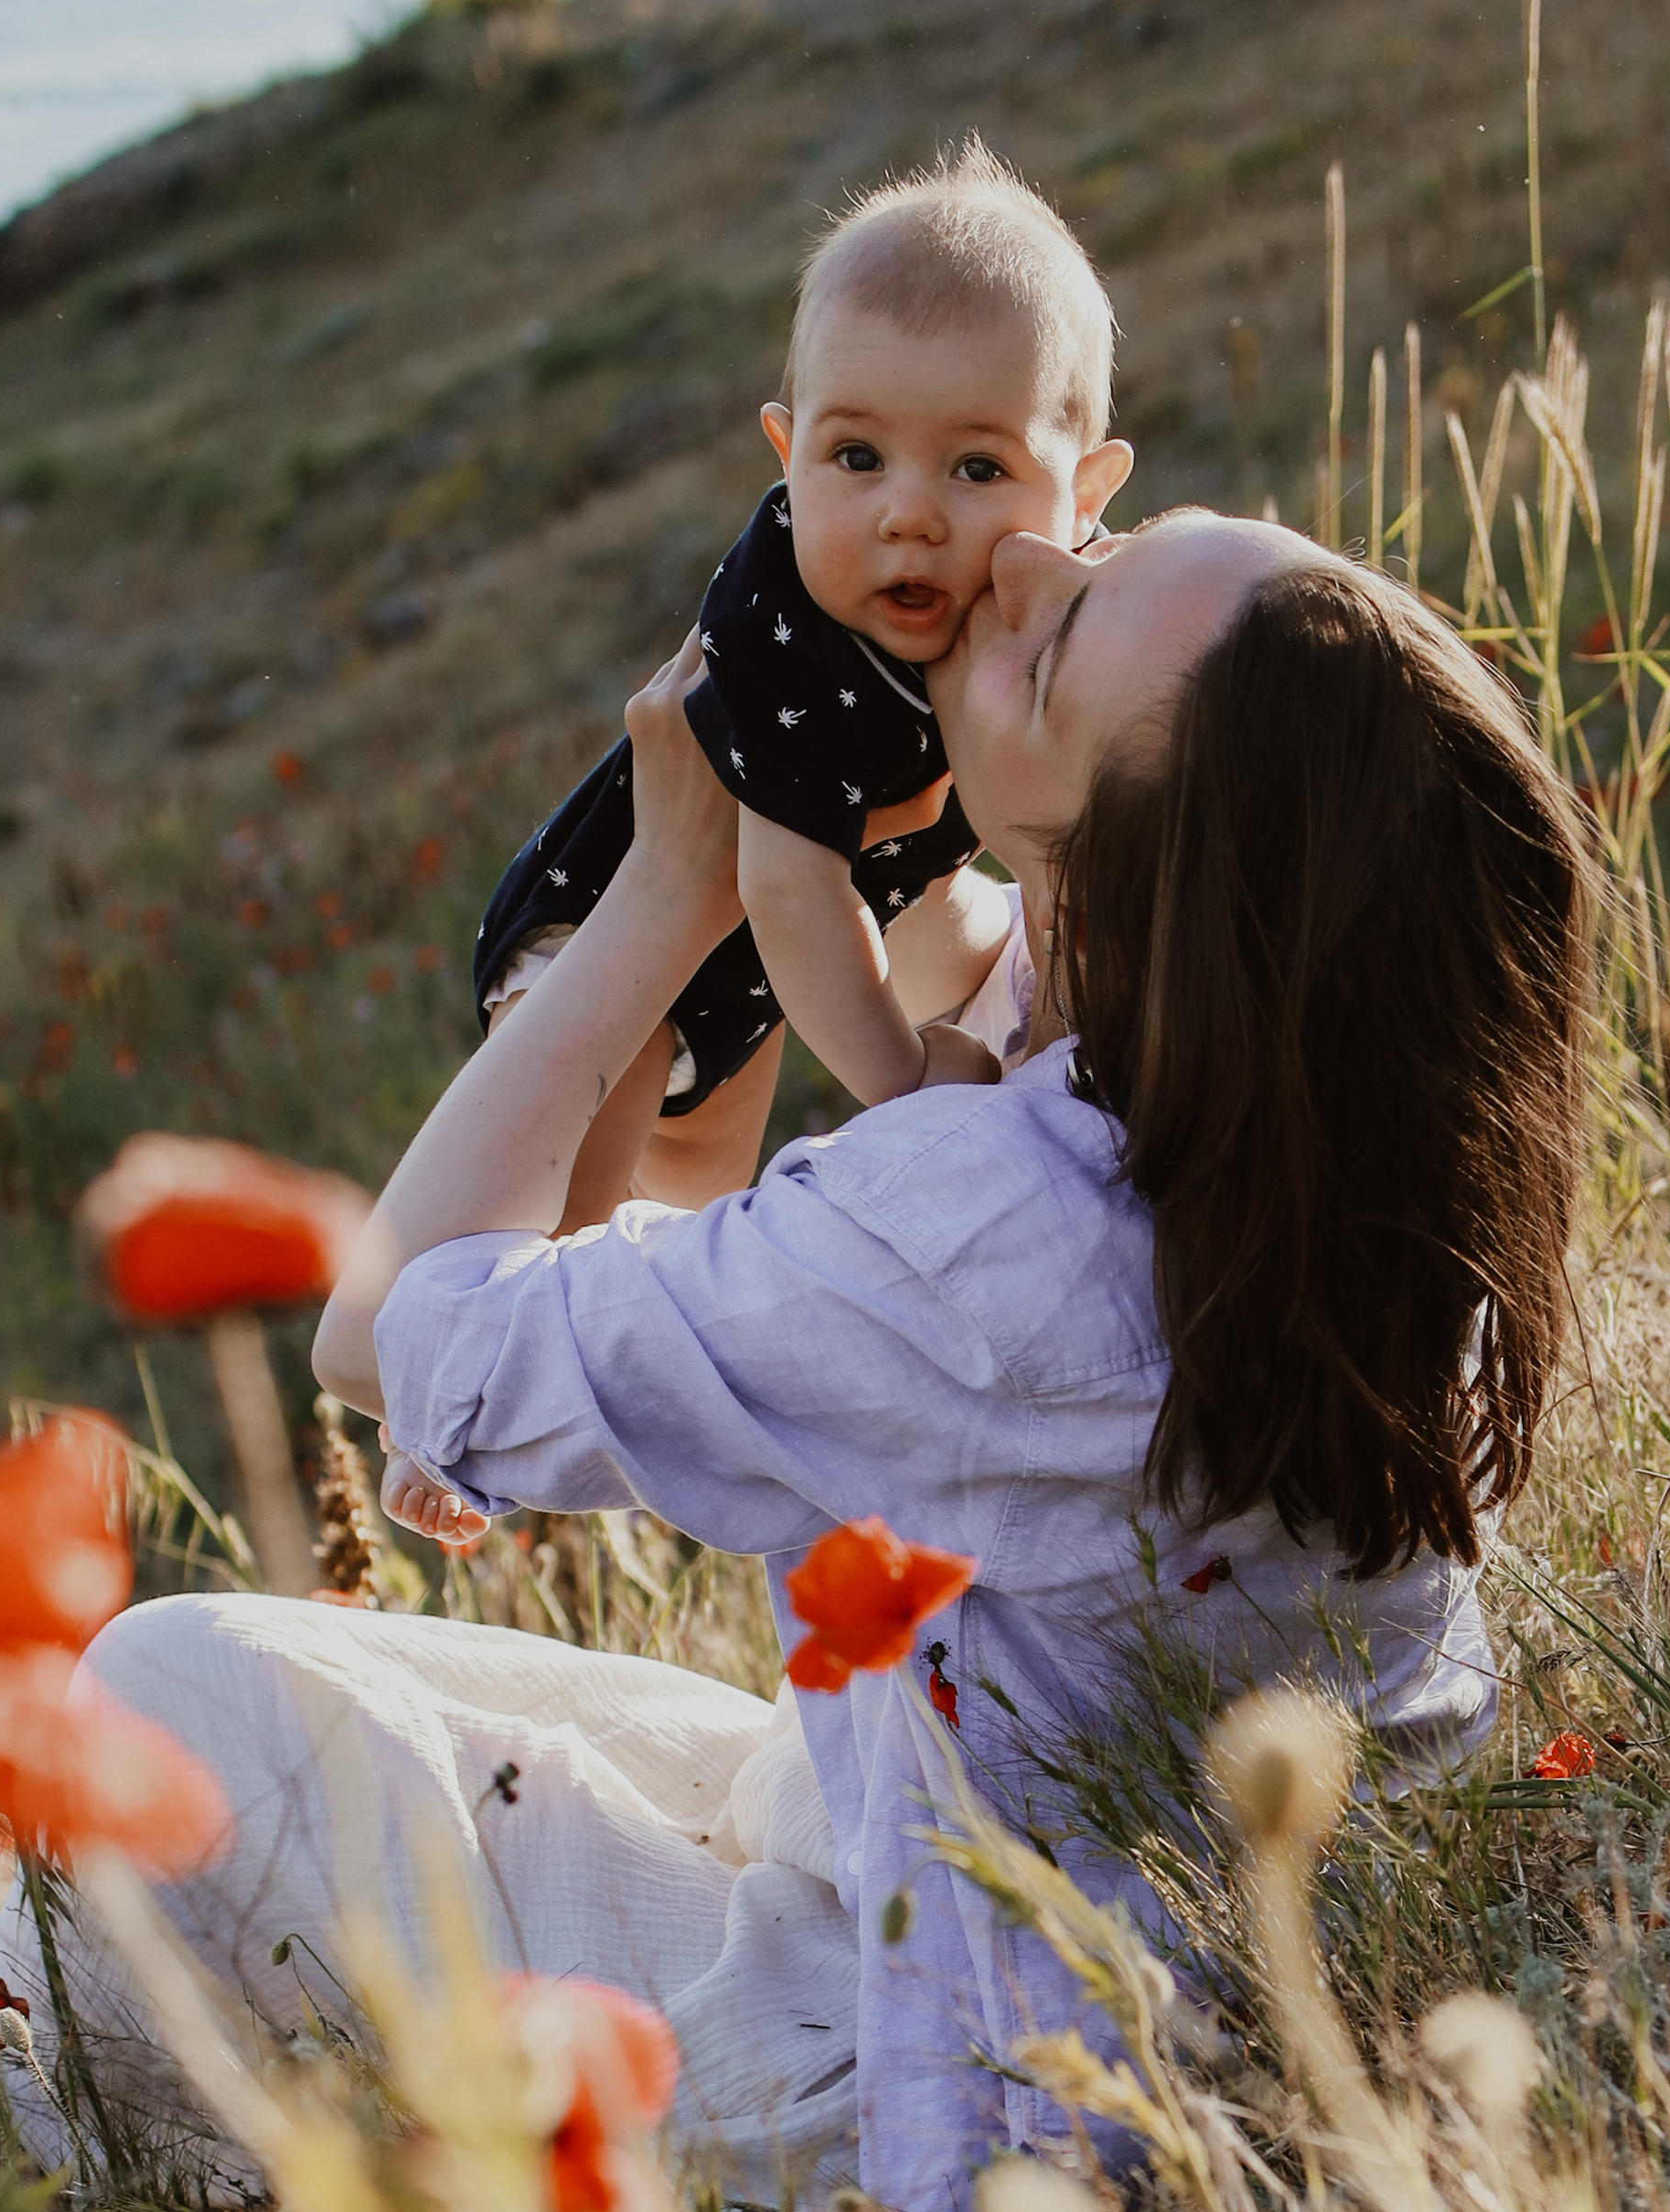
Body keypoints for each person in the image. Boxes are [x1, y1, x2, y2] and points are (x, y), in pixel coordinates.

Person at [0, 510, 1595, 2212]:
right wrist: (899, 762)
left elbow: (391, 1332)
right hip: (1062, 1883)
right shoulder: (1337, 1115)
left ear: (1122, 888)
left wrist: (660, 895)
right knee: (424, 1725)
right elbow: (981, 939)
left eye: (1050, 647)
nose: (1029, 559)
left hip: (907, 2063)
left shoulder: (986, 1245)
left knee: (163, 1690)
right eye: (1117, 538)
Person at [386, 145, 1132, 1552]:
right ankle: (440, 1424)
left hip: (747, 987)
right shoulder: (798, 641)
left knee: (700, 1212)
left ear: (1083, 489)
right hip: (614, 936)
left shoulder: (1037, 606)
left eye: (978, 466)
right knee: (571, 1231)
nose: (909, 511)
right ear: (789, 459)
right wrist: (913, 1095)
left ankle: (655, 1418)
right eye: (857, 459)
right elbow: (789, 889)